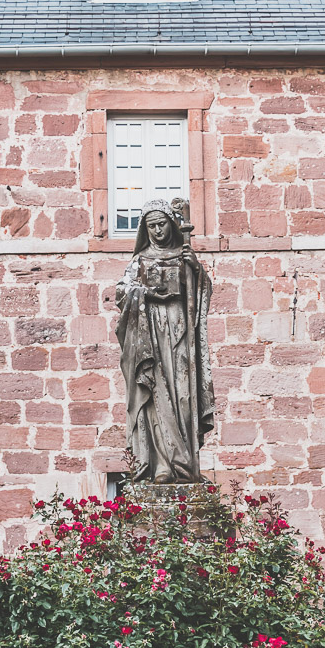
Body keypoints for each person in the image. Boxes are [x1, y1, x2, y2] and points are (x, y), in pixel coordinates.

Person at [115, 197, 214, 483]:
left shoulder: (185, 256)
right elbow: (122, 292)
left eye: (161, 224)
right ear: (145, 230)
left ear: (170, 224)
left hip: (181, 331)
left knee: (183, 394)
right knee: (156, 396)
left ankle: (185, 463)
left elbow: (202, 294)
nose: (158, 231)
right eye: (152, 226)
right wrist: (145, 293)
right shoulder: (140, 260)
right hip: (150, 334)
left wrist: (196, 270)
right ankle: (161, 466)